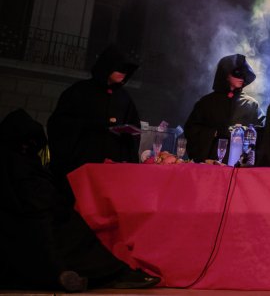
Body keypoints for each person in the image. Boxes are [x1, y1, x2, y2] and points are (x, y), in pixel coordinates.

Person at [0, 109, 159, 292]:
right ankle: (68, 274)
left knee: (73, 231)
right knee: (54, 235)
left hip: (40, 221)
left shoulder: (23, 164)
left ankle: (105, 273)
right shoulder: (17, 165)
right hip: (24, 229)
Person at [47, 45, 141, 179]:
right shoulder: (79, 91)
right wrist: (94, 125)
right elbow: (59, 125)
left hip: (113, 170)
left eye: (127, 69)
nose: (123, 72)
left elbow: (134, 128)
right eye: (120, 68)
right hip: (82, 165)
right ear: (107, 66)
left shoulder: (124, 98)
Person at [183, 54, 264, 163]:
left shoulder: (251, 104)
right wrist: (215, 132)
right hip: (210, 162)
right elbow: (191, 129)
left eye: (244, 74)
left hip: (239, 163)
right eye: (237, 73)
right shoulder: (206, 102)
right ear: (226, 75)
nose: (241, 78)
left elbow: (261, 130)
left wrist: (241, 131)